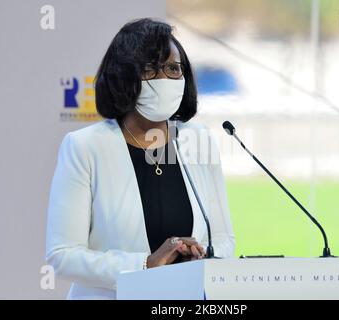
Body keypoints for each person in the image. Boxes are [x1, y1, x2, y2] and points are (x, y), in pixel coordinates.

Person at [46, 18, 235, 300]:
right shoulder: (85, 147)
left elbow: (223, 239)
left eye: (173, 69)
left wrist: (203, 256)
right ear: (123, 77)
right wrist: (145, 265)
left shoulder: (198, 140)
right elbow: (63, 256)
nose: (165, 80)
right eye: (150, 69)